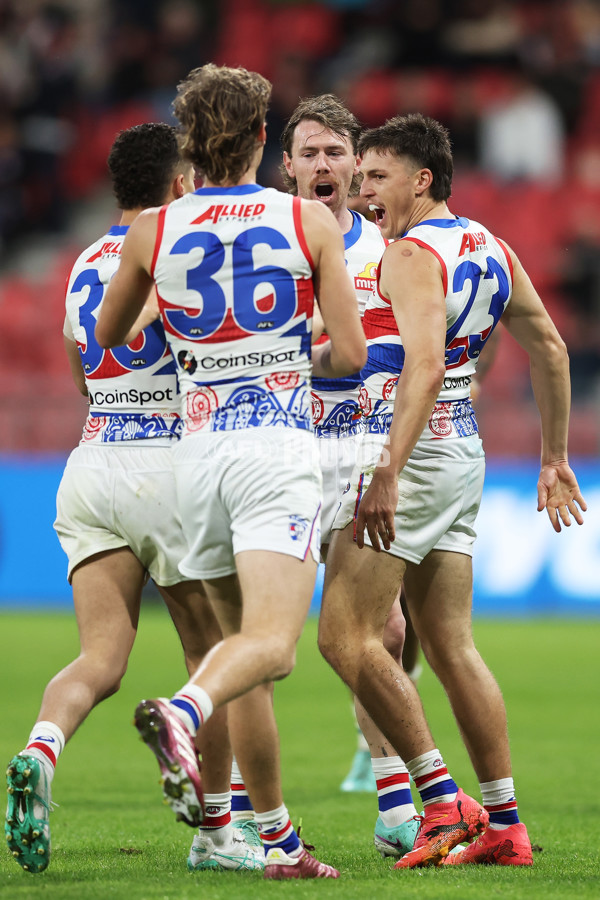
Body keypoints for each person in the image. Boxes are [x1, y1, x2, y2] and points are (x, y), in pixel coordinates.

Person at [95, 64, 366, 881]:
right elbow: (350, 357)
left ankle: (274, 839)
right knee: (273, 649)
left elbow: (110, 333)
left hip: (195, 455)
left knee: (238, 660)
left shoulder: (156, 229)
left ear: (189, 140)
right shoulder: (306, 221)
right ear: (260, 137)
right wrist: (287, 352)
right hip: (274, 450)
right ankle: (181, 711)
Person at [318, 112, 586, 868]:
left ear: (421, 179)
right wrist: (553, 455)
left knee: (344, 636)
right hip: (464, 448)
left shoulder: (409, 253)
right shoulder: (488, 245)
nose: (365, 190)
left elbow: (424, 367)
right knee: (451, 644)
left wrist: (388, 470)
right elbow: (550, 349)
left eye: (376, 176)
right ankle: (503, 821)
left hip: (416, 450)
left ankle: (441, 803)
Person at [4, 123, 262, 875]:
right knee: (211, 654)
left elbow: (84, 372)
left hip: (91, 462)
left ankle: (40, 752)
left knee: (98, 658)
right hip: (168, 461)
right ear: (181, 179)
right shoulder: (182, 246)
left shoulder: (81, 260)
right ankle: (218, 831)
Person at [280, 93, 420, 857]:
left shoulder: (388, 248)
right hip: (285, 457)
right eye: (311, 153)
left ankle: (394, 799)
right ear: (290, 167)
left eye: (337, 152)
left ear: (355, 166)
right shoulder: (268, 243)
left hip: (365, 451)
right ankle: (234, 807)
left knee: (382, 630)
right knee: (262, 637)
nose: (325, 165)